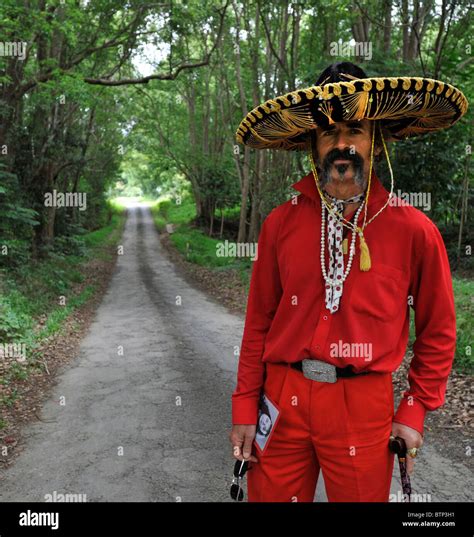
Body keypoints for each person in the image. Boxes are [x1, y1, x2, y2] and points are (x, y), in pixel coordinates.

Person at [229, 62, 468, 502]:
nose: (342, 144)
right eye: (327, 132)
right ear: (312, 145)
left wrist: (414, 408)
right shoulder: (281, 224)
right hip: (282, 398)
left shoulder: (414, 230)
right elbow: (258, 323)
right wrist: (246, 405)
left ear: (375, 142)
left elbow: (438, 332)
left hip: (362, 405)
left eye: (354, 130)